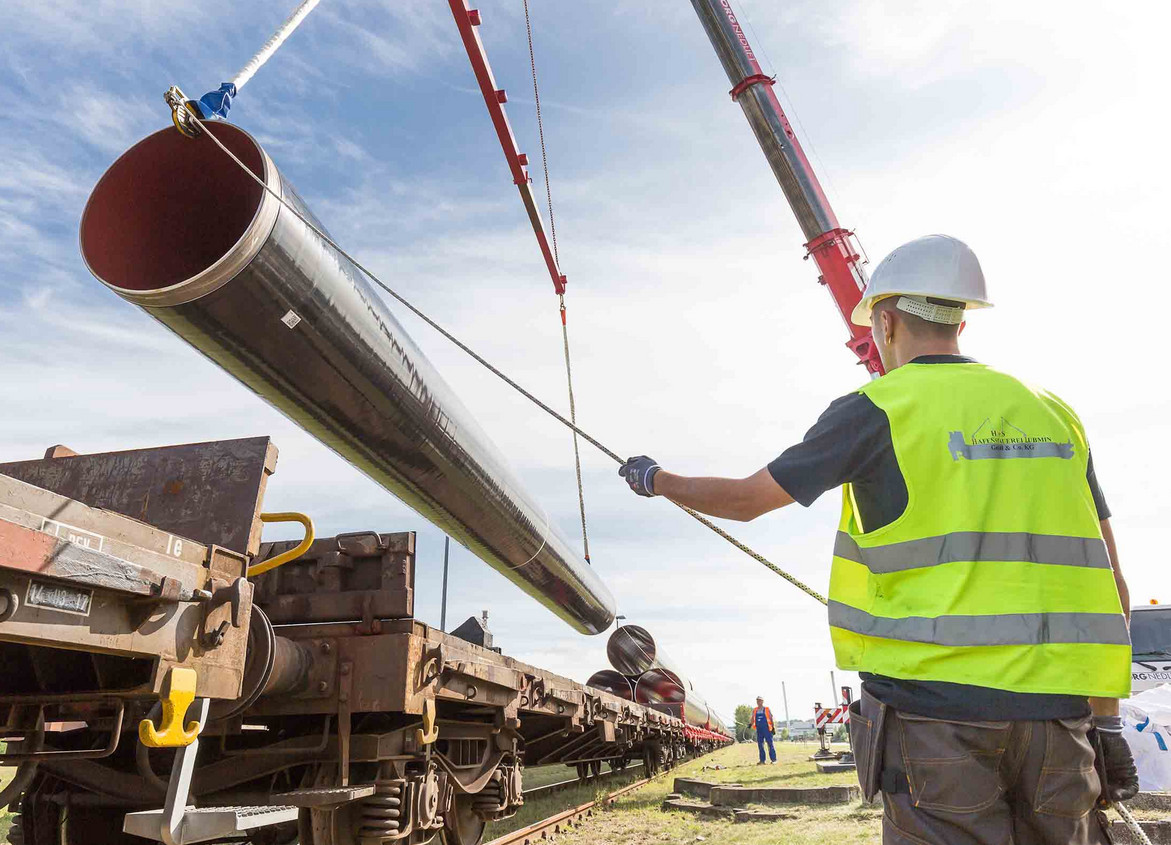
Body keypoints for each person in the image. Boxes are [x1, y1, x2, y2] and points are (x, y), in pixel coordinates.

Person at [619, 235, 1138, 845]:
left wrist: (656, 479)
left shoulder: (878, 409)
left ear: (886, 322)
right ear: (961, 318)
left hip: (936, 725)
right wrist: (1106, 725)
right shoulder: (1055, 413)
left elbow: (746, 500)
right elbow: (1110, 585)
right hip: (1058, 722)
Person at [751, 696, 776, 764]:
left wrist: (773, 728)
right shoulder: (755, 710)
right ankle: (762, 760)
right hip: (759, 730)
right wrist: (750, 724)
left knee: (770, 744)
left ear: (762, 701)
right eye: (757, 701)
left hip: (767, 729)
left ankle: (773, 760)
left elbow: (771, 718)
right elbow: (752, 718)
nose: (758, 702)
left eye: (759, 701)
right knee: (760, 745)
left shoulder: (767, 709)